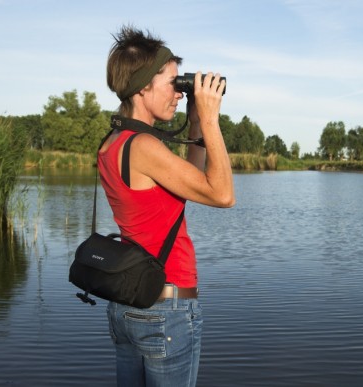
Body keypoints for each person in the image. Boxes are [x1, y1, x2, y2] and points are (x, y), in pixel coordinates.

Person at [99, 25, 235, 387]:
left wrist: (194, 126)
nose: (179, 93)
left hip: (128, 303)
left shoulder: (114, 142)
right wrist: (210, 118)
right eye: (174, 83)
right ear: (144, 86)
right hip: (166, 308)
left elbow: (189, 184)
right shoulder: (144, 147)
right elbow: (222, 195)